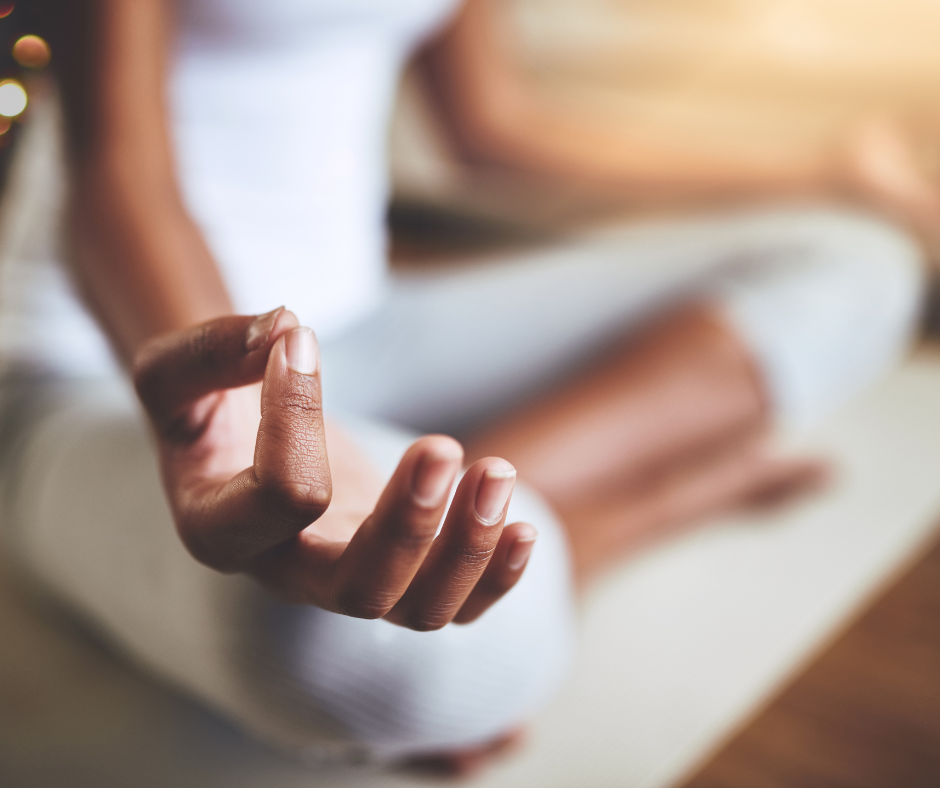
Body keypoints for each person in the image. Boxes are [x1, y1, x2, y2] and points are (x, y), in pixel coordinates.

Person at [0, 0, 922, 775]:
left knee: (857, 263)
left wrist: (817, 172)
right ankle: (607, 518)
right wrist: (237, 424)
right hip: (96, 366)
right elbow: (121, 171)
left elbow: (492, 127)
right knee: (356, 662)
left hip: (371, 324)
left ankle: (500, 521)